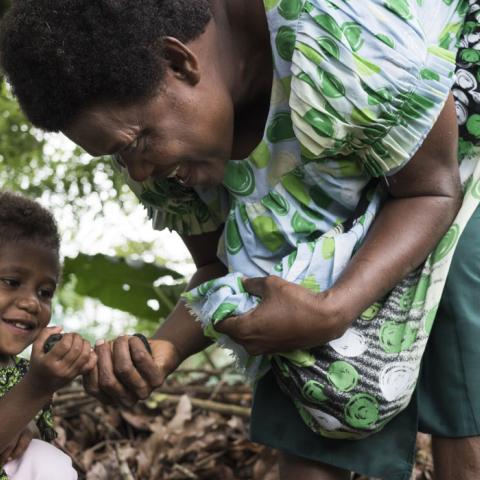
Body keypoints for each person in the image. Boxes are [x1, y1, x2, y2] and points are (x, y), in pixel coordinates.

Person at [1, 0, 479, 478]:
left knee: (464, 365)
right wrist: (164, 351)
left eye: (133, 147)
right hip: (327, 226)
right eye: (118, 158)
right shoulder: (147, 136)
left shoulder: (341, 39)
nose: (139, 172)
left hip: (454, 160)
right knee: (299, 370)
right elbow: (219, 269)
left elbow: (432, 188)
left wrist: (336, 308)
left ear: (177, 63)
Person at [0, 191, 97, 480]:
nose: (32, 303)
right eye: (11, 282)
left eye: (45, 292)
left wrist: (24, 426)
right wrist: (37, 387)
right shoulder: (32, 380)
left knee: (46, 458)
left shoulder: (22, 372)